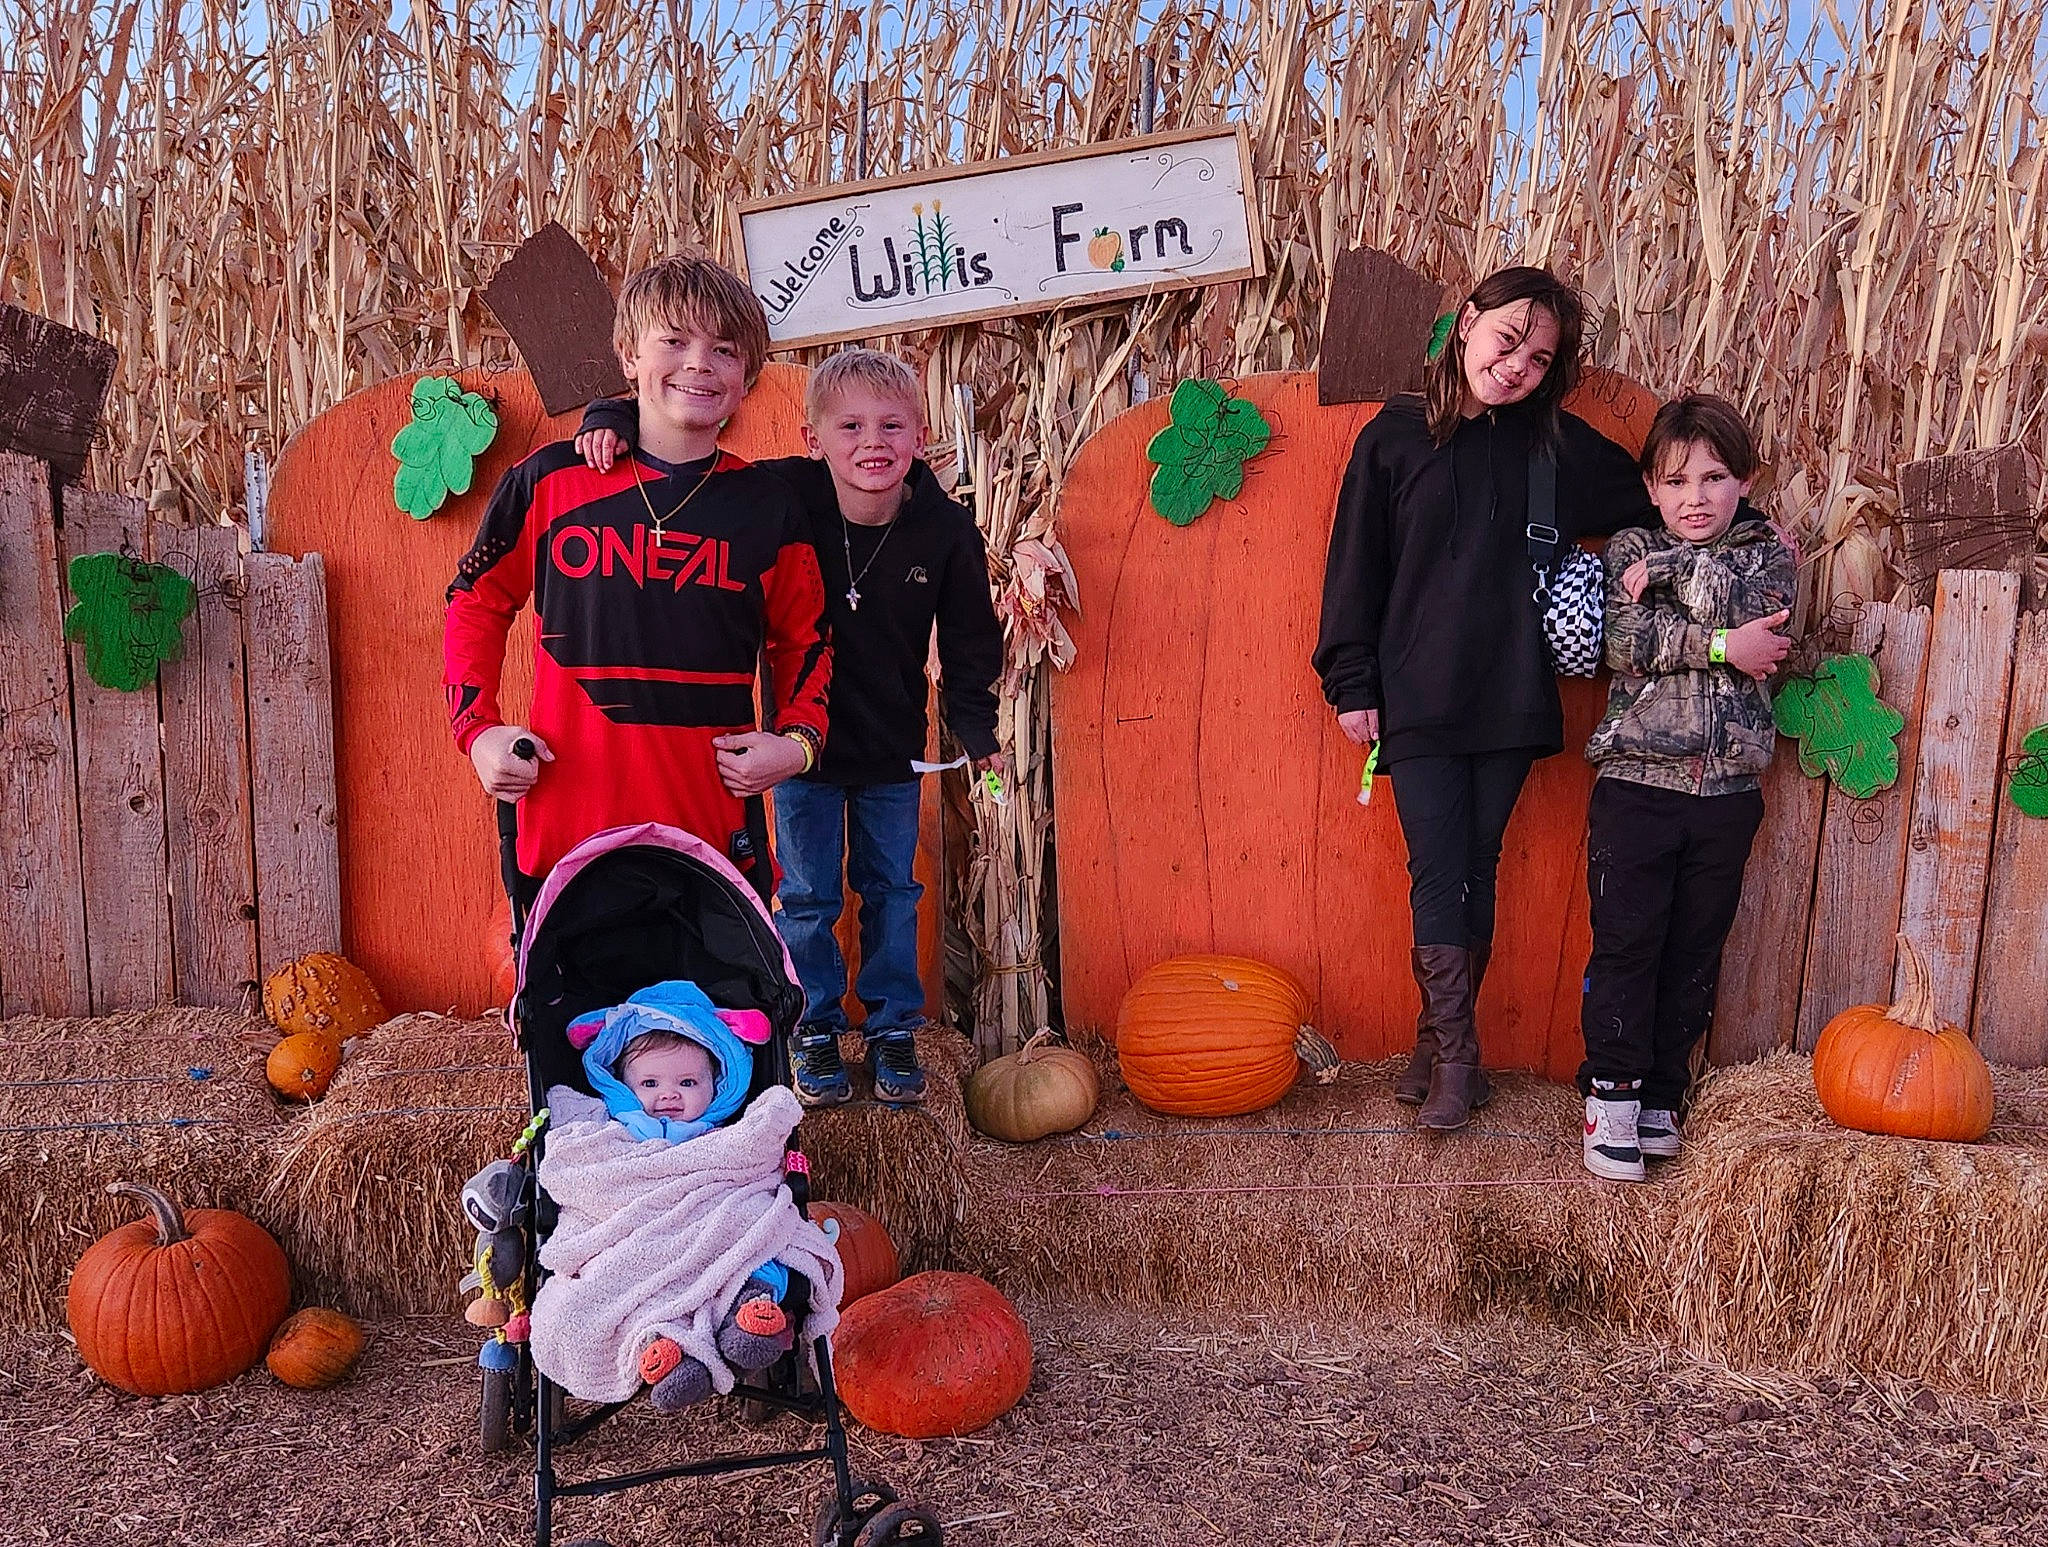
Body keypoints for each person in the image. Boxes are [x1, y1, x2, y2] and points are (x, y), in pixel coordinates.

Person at [576, 349, 1004, 1109]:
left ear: (921, 435)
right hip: (797, 753)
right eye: (851, 426)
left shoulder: (943, 531)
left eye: (892, 425)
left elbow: (972, 641)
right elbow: (693, 462)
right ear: (813, 438)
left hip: (890, 752)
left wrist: (977, 728)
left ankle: (892, 1025)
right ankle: (812, 1024)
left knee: (894, 891)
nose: (872, 442)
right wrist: (614, 416)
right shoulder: (780, 495)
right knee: (805, 895)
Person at [1314, 264, 1655, 1132]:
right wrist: (1352, 681)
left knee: (1478, 863)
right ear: (1467, 325)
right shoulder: (1391, 439)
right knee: (1436, 867)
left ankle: (1435, 1046)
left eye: (1540, 360)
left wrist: (1739, 531)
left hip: (1510, 693)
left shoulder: (1554, 447)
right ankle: (1461, 1059)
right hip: (1417, 696)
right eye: (1508, 342)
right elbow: (1354, 572)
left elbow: (1661, 497)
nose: (1517, 368)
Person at [443, 255, 831, 908]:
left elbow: (807, 639)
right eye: (674, 340)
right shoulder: (548, 482)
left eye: (725, 350)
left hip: (712, 830)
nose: (699, 363)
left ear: (747, 380)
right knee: (572, 1014)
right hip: (565, 830)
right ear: (628, 354)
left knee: (719, 1016)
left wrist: (797, 744)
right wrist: (477, 731)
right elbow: (475, 601)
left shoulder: (769, 508)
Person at [1577, 395, 1794, 1181]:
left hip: (1727, 791)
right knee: (1630, 941)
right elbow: (1624, 640)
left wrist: (1671, 573)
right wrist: (1717, 645)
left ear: (1744, 481)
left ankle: (1664, 1092)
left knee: (1695, 947)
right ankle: (1614, 1095)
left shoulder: (1767, 549)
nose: (1695, 497)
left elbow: (1762, 621)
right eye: (1676, 481)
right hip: (1639, 784)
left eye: (1714, 477)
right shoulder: (1626, 544)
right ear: (1650, 486)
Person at [524, 980, 844, 1413]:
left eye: (688, 1081)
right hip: (628, 1233)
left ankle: (749, 1314)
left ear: (718, 1085)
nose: (668, 1095)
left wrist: (766, 1125)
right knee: (584, 1297)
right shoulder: (607, 1129)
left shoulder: (725, 1137)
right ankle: (664, 1350)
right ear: (621, 1084)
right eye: (650, 1082)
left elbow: (755, 1159)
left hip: (714, 1215)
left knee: (758, 1241)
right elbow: (579, 1171)